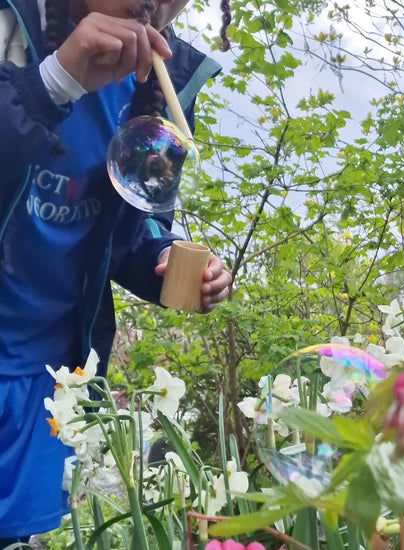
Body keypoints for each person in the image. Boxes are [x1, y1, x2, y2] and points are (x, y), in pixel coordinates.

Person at [0, 0, 232, 545]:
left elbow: (134, 227)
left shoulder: (167, 83)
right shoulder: (13, 24)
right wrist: (54, 78)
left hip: (51, 382)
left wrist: (167, 261)